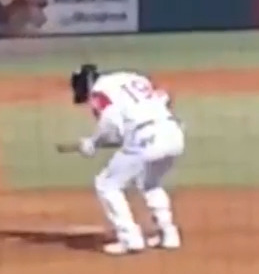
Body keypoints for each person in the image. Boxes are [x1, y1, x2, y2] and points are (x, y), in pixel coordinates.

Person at [58, 64, 185, 255]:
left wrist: (93, 143)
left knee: (107, 184)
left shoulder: (99, 90)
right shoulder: (132, 78)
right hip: (172, 131)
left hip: (145, 137)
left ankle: (130, 239)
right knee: (150, 183)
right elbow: (163, 97)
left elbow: (111, 125)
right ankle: (169, 234)